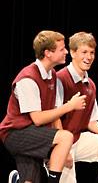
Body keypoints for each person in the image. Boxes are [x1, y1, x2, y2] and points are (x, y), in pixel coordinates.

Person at [0, 30, 87, 183]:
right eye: (62, 49)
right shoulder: (27, 78)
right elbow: (38, 118)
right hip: (16, 133)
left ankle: (17, 180)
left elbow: (54, 115)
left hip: (33, 134)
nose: (66, 51)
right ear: (48, 53)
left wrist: (64, 149)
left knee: (30, 181)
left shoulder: (52, 75)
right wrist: (70, 106)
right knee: (67, 136)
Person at [56, 31, 98, 183]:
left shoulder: (91, 85)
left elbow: (91, 122)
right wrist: (62, 149)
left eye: (92, 52)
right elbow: (53, 117)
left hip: (78, 138)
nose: (88, 57)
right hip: (59, 142)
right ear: (73, 53)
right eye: (84, 52)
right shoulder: (60, 78)